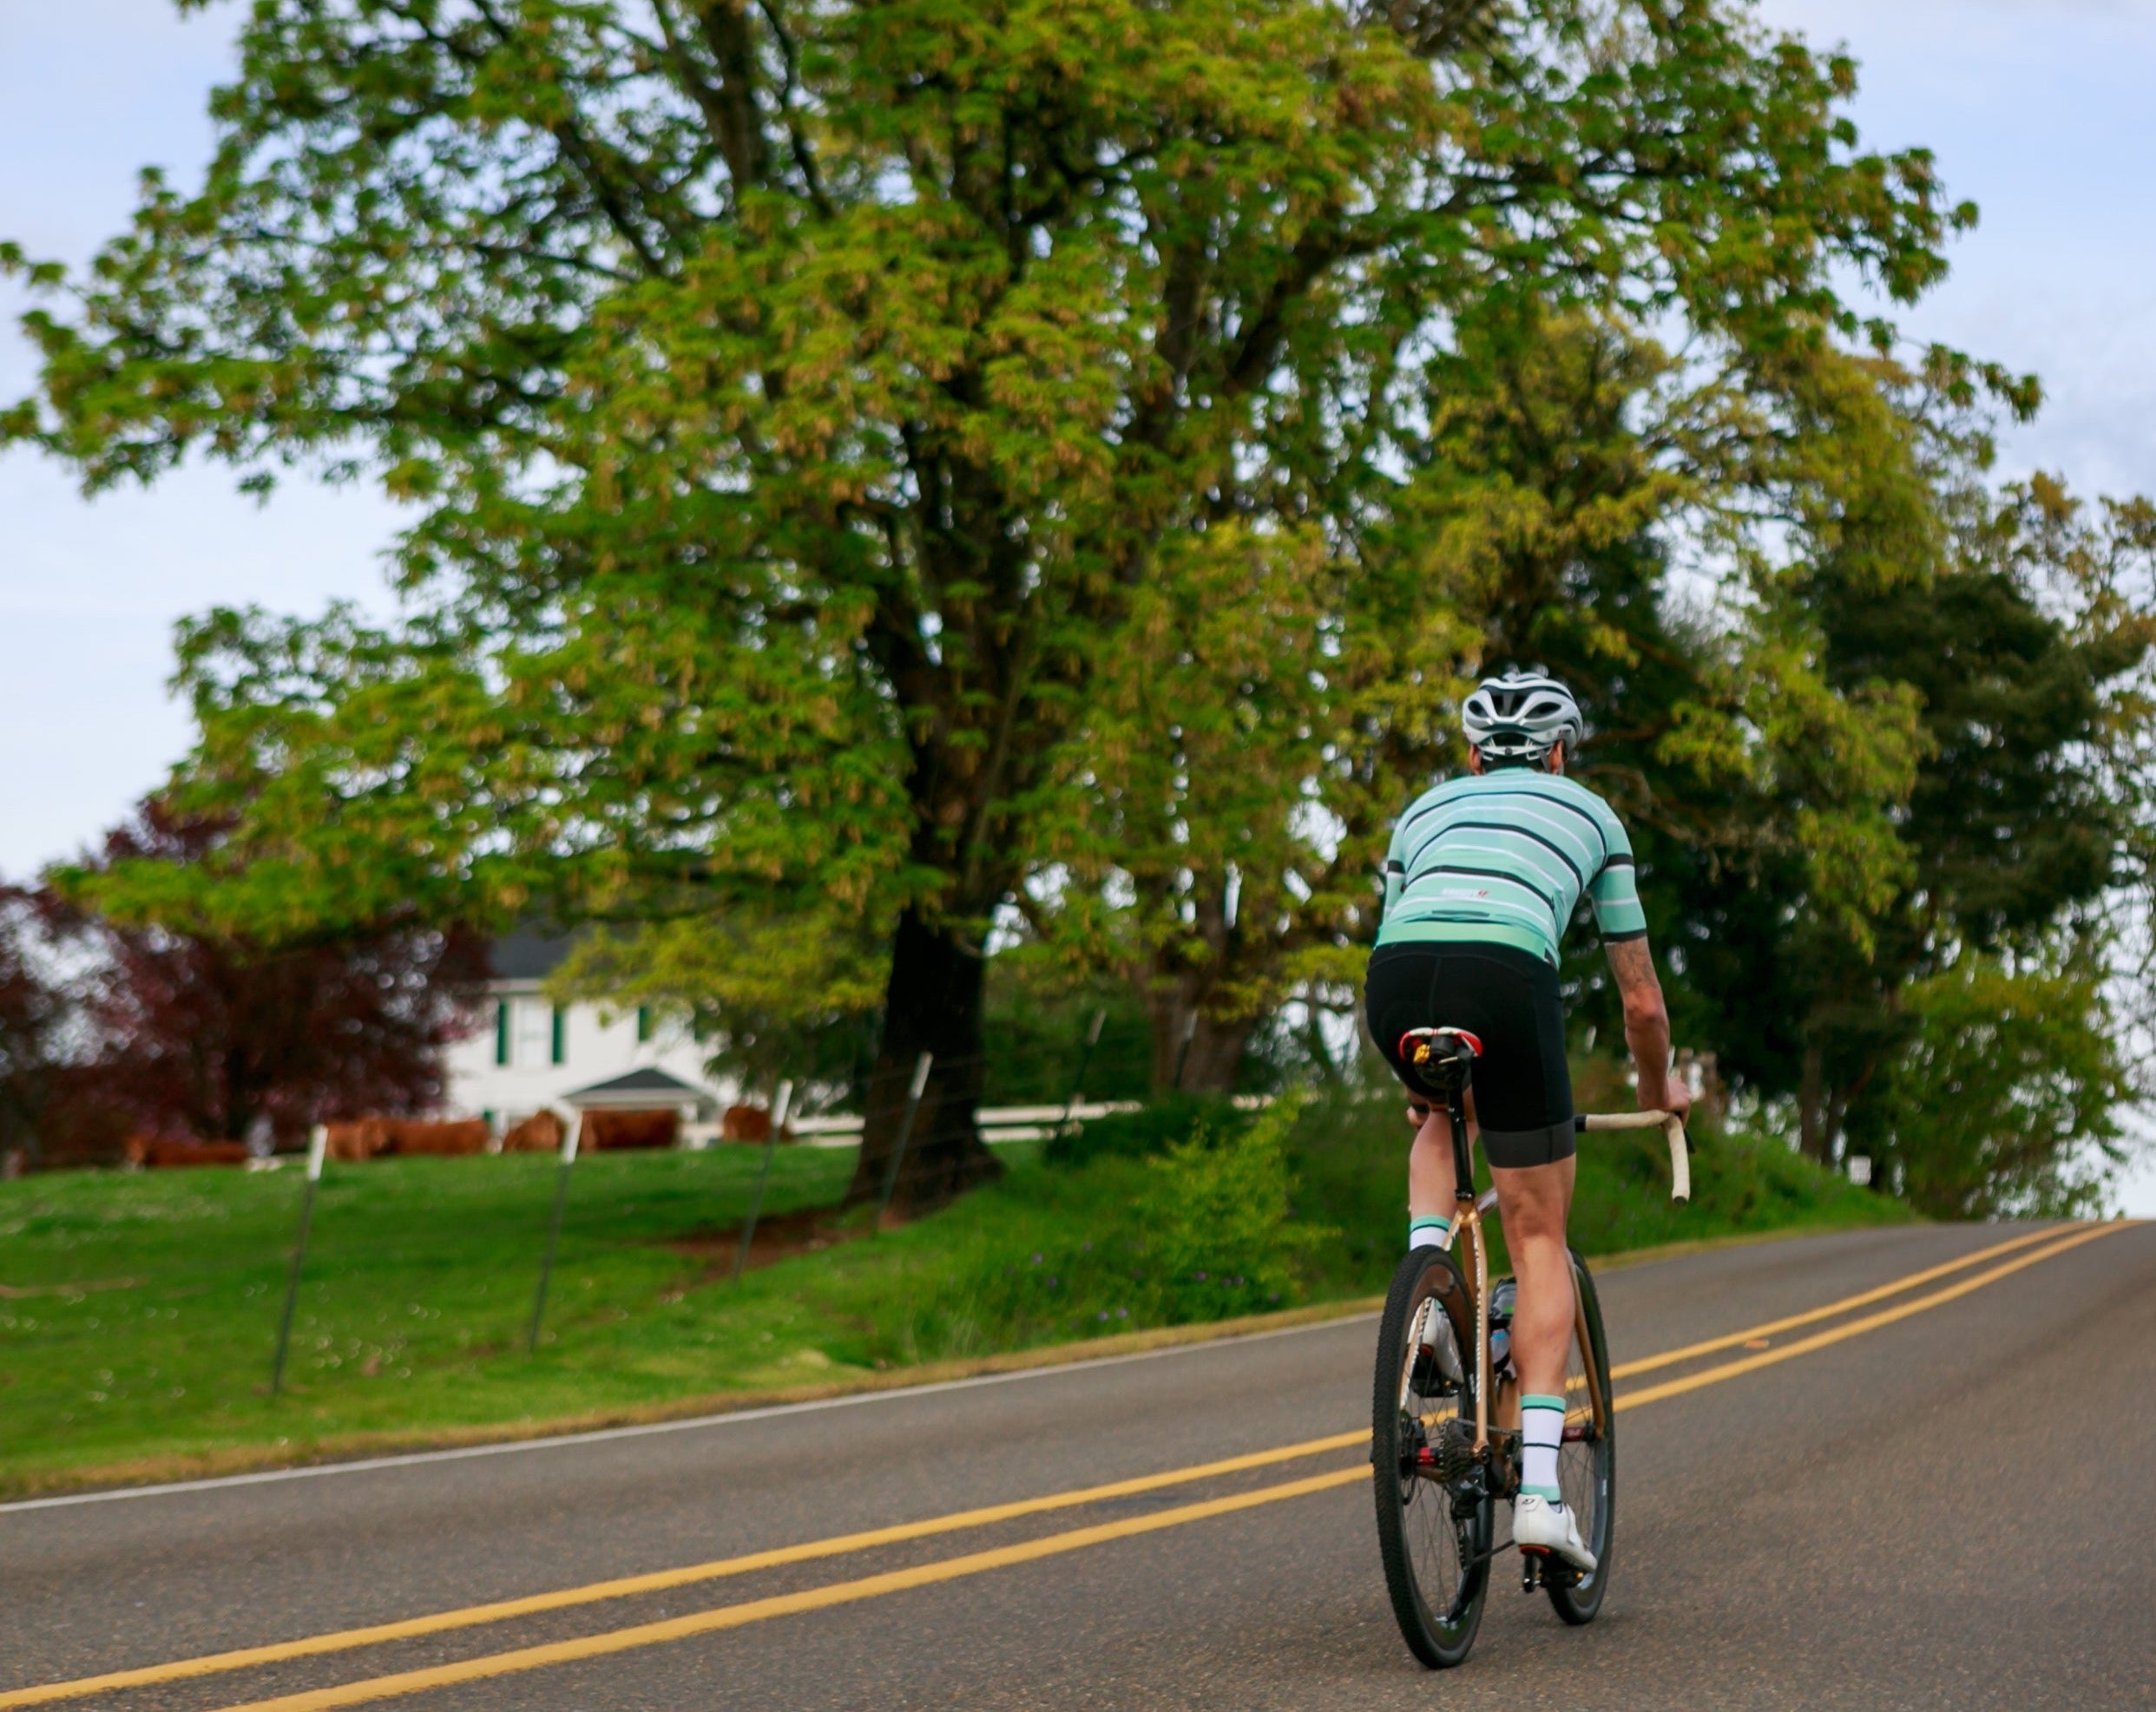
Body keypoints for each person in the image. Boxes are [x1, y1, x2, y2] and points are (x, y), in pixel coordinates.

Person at [1364, 669, 1690, 1573]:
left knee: (1437, 1108)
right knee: (1539, 1234)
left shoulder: (1422, 812)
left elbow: (1404, 928)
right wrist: (1660, 1087)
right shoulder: (1592, 815)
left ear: (1472, 754)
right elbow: (1642, 1005)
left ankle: (1427, 1284)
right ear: (1557, 753)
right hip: (1507, 975)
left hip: (1396, 982)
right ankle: (1543, 1493)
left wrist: (1418, 1067)